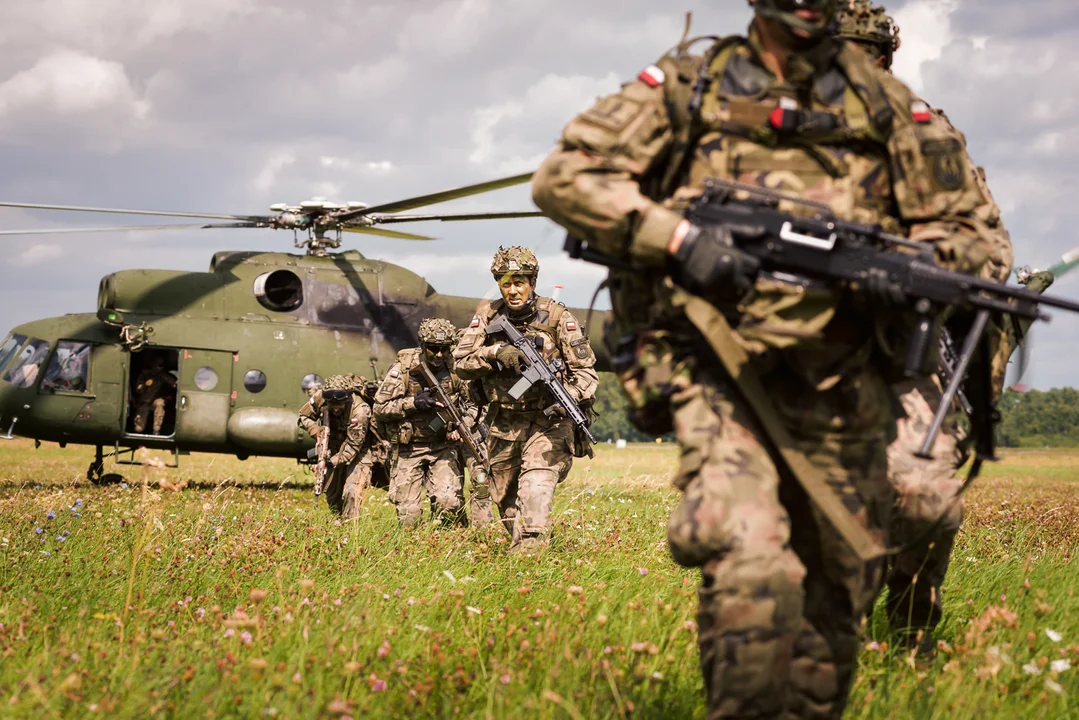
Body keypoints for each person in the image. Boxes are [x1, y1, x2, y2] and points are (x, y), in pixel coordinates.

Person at [531, 0, 1004, 714]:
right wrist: (680, 242)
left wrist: (907, 267)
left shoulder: (895, 112)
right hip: (718, 367)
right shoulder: (689, 88)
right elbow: (565, 179)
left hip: (848, 381)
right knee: (751, 561)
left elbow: (979, 246)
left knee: (832, 589)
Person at [834, 0, 1022, 651]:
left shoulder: (927, 139)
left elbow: (989, 251)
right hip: (788, 353)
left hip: (897, 354)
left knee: (926, 496)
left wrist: (919, 264)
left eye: (868, 57)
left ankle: (910, 635)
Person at [452, 246, 598, 551]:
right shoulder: (489, 315)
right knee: (507, 507)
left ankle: (527, 569)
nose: (513, 290)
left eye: (520, 282)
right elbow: (461, 361)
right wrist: (495, 353)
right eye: (506, 283)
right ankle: (523, 552)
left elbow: (586, 374)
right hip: (503, 425)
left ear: (532, 281)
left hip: (549, 424)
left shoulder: (558, 316)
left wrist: (566, 397)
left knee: (534, 497)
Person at [374, 318, 477, 527]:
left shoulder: (455, 369)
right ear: (423, 346)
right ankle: (414, 551)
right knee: (409, 516)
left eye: (444, 349)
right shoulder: (403, 369)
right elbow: (379, 408)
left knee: (448, 504)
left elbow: (474, 405)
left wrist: (462, 425)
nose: (439, 355)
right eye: (433, 349)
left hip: (443, 447)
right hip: (408, 448)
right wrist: (413, 403)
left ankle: (448, 547)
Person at [298, 373, 378, 518]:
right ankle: (338, 523)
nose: (335, 407)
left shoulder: (360, 410)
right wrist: (314, 429)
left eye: (340, 402)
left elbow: (353, 446)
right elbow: (303, 416)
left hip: (359, 452)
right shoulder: (320, 397)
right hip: (333, 447)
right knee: (332, 494)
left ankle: (350, 527)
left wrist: (331, 461)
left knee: (351, 492)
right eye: (331, 402)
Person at [132, 355, 176, 435]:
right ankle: (137, 436)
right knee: (139, 427)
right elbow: (138, 388)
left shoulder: (162, 375)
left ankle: (156, 430)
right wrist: (142, 386)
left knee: (160, 404)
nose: (160, 367)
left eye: (162, 366)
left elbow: (173, 383)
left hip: (154, 401)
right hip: (143, 401)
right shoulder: (145, 373)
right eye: (159, 365)